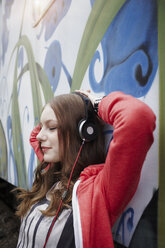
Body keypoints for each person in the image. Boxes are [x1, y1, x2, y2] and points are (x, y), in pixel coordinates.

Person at [16, 90, 156, 248]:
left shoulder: (99, 191)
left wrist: (95, 103)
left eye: (52, 127)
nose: (40, 135)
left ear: (83, 133)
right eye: (42, 127)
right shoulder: (53, 170)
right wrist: (65, 109)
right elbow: (34, 136)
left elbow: (138, 118)